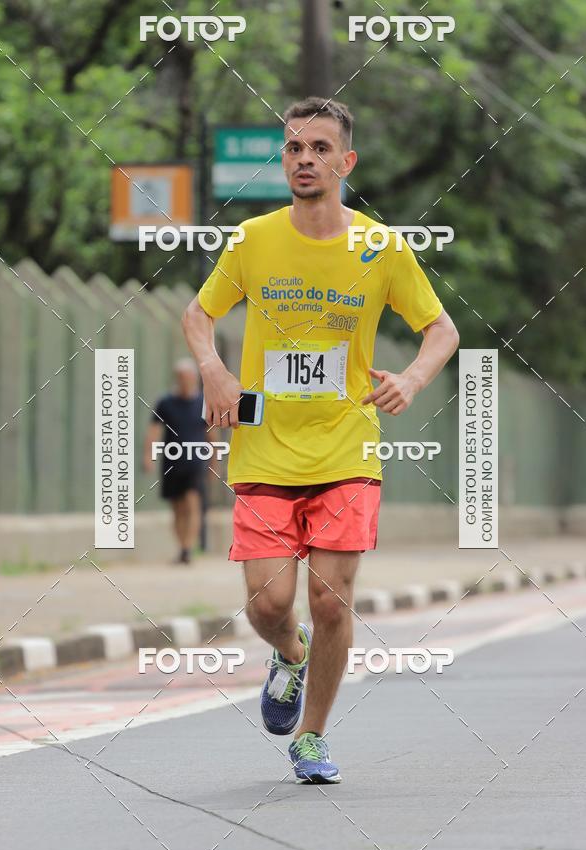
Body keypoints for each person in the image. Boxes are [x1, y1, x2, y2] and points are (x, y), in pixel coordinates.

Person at [182, 97, 459, 782]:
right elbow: (197, 314)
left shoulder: (380, 247)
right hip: (265, 448)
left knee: (331, 599)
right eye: (294, 148)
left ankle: (311, 735)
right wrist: (215, 373)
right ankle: (290, 655)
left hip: (347, 447)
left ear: (345, 161)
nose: (305, 158)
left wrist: (415, 381)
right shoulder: (251, 240)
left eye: (319, 148)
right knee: (269, 604)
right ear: (285, 159)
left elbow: (442, 330)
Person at [143, 358, 214, 564]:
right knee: (177, 507)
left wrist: (213, 463)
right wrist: (148, 456)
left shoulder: (203, 402)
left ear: (195, 378)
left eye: (189, 377)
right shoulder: (165, 403)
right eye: (181, 377)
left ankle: (187, 548)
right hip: (172, 462)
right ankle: (182, 545)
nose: (185, 381)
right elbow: (153, 432)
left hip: (195, 461)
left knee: (193, 502)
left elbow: (211, 435)